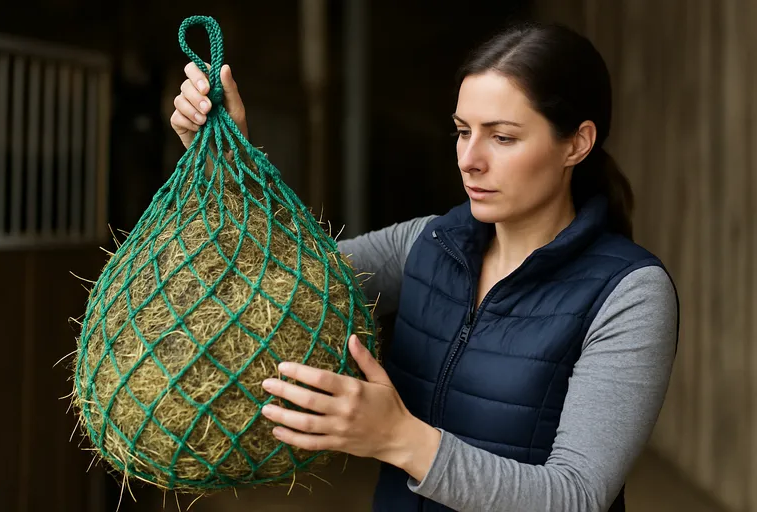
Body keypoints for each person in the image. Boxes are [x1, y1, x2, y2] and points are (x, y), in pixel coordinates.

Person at [170, 21, 678, 512]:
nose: (469, 159)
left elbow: (577, 498)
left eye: (502, 137)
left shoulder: (629, 293)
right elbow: (284, 279)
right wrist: (226, 157)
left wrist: (398, 438)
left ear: (577, 143)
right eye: (462, 131)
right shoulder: (427, 243)